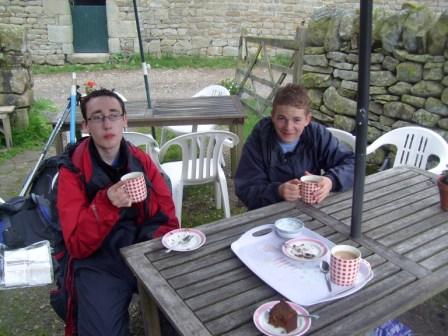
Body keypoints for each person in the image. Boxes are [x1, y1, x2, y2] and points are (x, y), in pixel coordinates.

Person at [56, 89, 179, 335]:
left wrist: (149, 247)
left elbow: (167, 217)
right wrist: (106, 203)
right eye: (97, 117)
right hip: (98, 261)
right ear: (86, 126)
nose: (107, 123)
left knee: (182, 311)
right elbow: (77, 246)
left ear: (125, 120)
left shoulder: (140, 161)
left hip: (140, 248)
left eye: (113, 115)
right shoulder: (72, 171)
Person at [234, 84, 355, 210]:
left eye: (297, 120)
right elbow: (245, 188)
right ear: (272, 117)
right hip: (269, 212)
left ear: (307, 119)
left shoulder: (317, 134)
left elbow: (353, 163)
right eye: (281, 118)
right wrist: (278, 191)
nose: (288, 127)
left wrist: (331, 181)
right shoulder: (260, 138)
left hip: (311, 210)